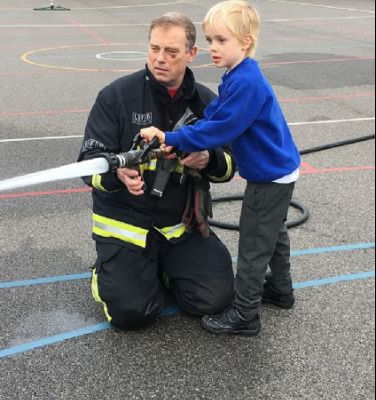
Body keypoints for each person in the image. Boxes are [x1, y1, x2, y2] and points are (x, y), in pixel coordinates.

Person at [141, 0, 301, 336]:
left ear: (246, 41)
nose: (212, 48)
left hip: (269, 176)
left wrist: (173, 136)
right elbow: (214, 116)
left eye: (221, 41)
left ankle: (245, 315)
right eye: (211, 39)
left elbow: (221, 129)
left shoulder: (246, 82)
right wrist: (184, 137)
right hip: (278, 170)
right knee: (275, 231)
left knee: (255, 241)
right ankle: (282, 290)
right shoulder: (237, 74)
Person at [78, 12, 237, 330]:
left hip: (179, 227)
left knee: (215, 299)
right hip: (126, 227)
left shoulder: (207, 103)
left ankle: (163, 267)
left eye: (171, 52)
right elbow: (88, 164)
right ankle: (107, 271)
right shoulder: (116, 97)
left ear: (191, 54)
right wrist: (117, 174)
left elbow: (230, 167)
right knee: (132, 314)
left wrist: (208, 159)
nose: (159, 59)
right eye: (154, 49)